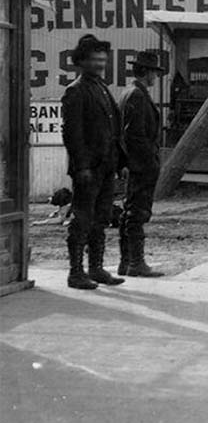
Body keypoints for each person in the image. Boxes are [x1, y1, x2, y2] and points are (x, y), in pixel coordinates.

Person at [61, 34, 125, 289]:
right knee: (82, 219)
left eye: (102, 59)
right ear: (82, 62)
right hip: (88, 170)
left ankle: (96, 268)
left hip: (106, 166)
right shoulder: (75, 91)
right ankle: (76, 272)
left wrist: (119, 162)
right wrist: (83, 166)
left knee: (102, 217)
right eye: (94, 59)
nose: (100, 63)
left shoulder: (101, 87)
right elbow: (72, 134)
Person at [118, 49, 169, 278]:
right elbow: (135, 135)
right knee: (137, 212)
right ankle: (135, 263)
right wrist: (149, 161)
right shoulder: (137, 96)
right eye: (154, 73)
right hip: (141, 165)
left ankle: (126, 261)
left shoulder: (129, 93)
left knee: (130, 211)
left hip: (134, 164)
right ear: (147, 72)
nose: (156, 78)